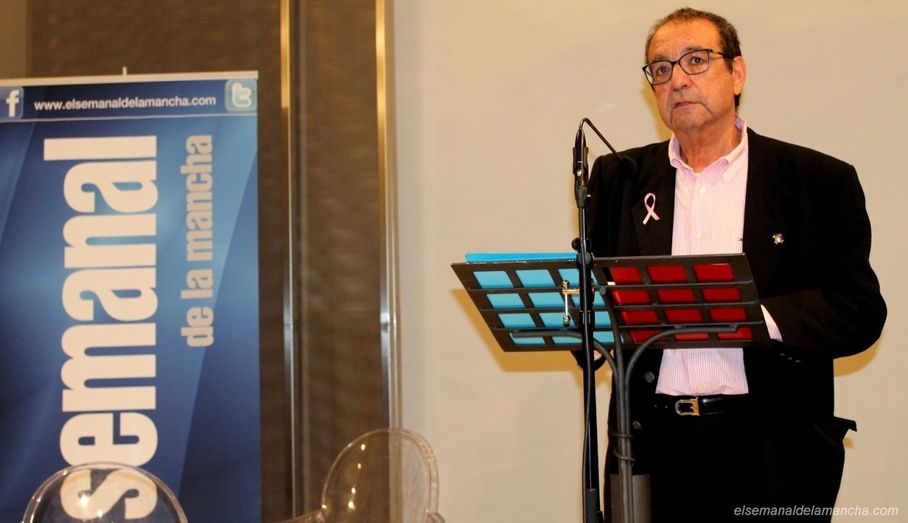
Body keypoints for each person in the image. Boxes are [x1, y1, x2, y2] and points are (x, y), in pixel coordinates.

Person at [586, 7, 887, 522]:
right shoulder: (620, 178)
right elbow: (597, 304)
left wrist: (751, 317)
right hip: (651, 447)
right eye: (661, 68)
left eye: (696, 60)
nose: (678, 79)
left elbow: (858, 310)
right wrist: (587, 326)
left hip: (770, 448)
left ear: (738, 73)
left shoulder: (815, 180)